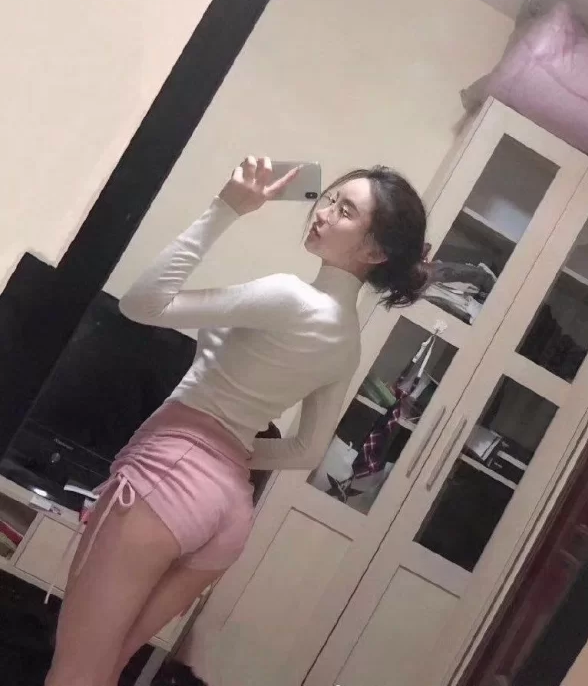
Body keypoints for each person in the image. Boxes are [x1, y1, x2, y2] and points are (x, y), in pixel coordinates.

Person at [45, 157, 429, 686]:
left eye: (346, 211)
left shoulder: (289, 296)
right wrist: (227, 453)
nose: (322, 212)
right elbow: (304, 451)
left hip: (167, 480)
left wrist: (225, 208)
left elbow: (141, 304)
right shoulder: (347, 342)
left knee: (75, 671)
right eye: (329, 198)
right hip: (228, 513)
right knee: (105, 669)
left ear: (375, 252)